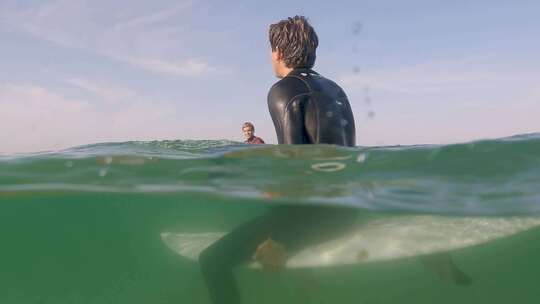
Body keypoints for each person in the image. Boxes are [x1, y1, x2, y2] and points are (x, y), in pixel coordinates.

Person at [198, 16, 358, 304]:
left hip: (312, 216)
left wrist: (274, 238)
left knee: (211, 261)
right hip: (347, 210)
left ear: (278, 52)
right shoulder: (336, 90)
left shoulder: (284, 90)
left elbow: (291, 165)